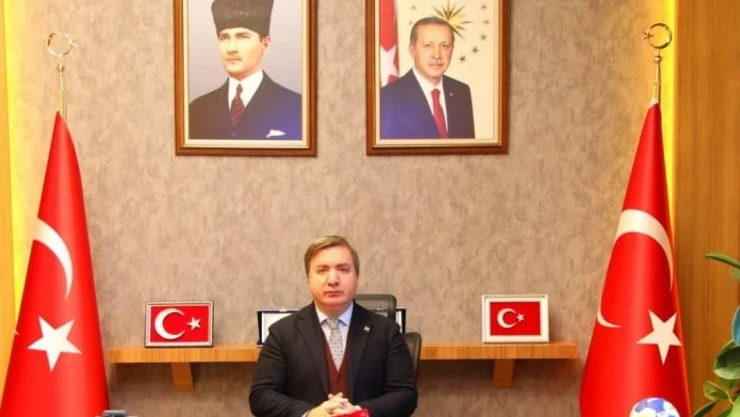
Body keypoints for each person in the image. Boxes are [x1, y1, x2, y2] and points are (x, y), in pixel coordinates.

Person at [249, 235, 418, 417]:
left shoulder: (387, 331)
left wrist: (360, 412)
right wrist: (309, 414)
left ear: (357, 277)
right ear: (308, 279)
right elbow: (261, 396)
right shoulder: (282, 333)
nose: (333, 280)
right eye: (322, 270)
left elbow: (405, 395)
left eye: (343, 269)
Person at [189, 0, 302, 140]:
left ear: (265, 44)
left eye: (242, 37)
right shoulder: (198, 110)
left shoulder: (295, 107)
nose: (231, 48)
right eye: (224, 37)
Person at [380, 17, 475, 139]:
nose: (437, 55)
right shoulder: (388, 98)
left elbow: (468, 148)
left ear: (452, 50)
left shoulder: (461, 92)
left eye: (445, 46)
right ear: (412, 50)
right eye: (428, 45)